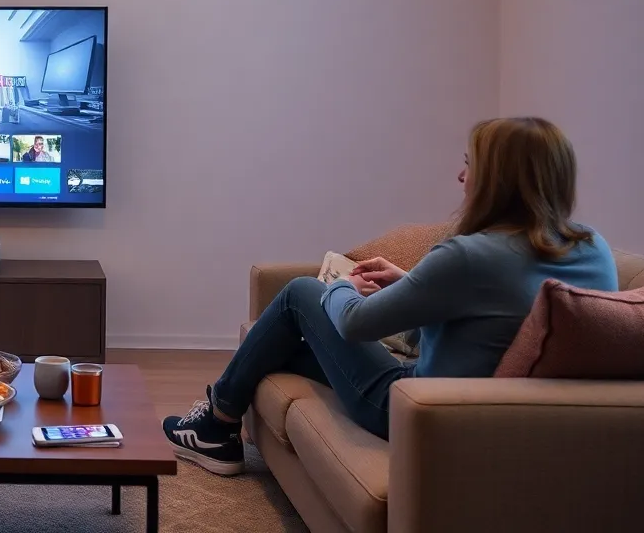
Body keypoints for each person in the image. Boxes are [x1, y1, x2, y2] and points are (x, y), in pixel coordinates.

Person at [163, 116, 618, 476]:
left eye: (471, 164)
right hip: (505, 416)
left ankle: (216, 425)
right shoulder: (592, 247)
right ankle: (221, 413)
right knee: (282, 347)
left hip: (414, 407)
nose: (462, 176)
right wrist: (411, 282)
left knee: (300, 293)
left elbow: (356, 323)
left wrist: (340, 286)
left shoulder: (467, 255)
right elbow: (496, 310)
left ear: (498, 181)